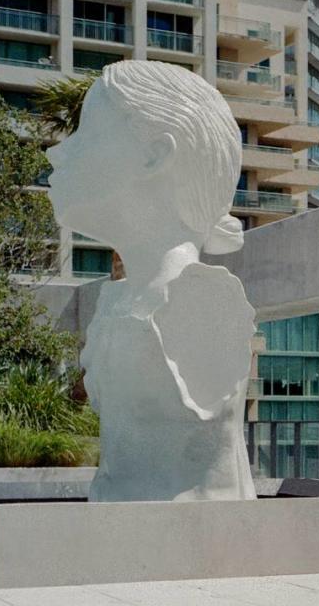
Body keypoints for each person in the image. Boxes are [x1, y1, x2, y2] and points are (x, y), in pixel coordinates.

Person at [46, 60, 256, 501]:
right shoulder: (120, 300)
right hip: (119, 548)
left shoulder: (198, 294)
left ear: (155, 155)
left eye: (86, 130)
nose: (57, 152)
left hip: (188, 557)